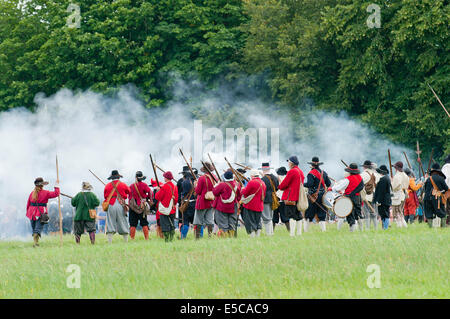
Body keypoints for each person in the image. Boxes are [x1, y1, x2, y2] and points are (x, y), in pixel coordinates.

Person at [26, 177, 60, 247]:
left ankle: (36, 242)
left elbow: (28, 204)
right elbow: (56, 194)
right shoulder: (46, 193)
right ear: (42, 185)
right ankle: (36, 244)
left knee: (34, 229)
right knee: (37, 229)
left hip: (31, 213)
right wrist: (57, 186)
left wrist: (28, 213)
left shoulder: (31, 193)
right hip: (40, 213)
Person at [332, 163, 364, 232]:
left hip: (349, 198)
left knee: (350, 214)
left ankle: (351, 231)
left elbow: (338, 188)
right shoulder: (360, 178)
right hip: (358, 198)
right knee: (358, 213)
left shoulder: (347, 179)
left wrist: (335, 186)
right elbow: (361, 186)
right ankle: (361, 230)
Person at [278, 156, 305, 236]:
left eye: (289, 162)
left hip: (291, 197)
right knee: (298, 215)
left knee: (291, 216)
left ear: (292, 163)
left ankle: (292, 234)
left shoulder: (292, 171)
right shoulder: (300, 171)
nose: (288, 164)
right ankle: (299, 233)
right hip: (297, 197)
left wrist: (279, 187)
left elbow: (284, 184)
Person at [303, 157, 331, 232]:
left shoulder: (311, 174)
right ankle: (323, 230)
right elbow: (329, 183)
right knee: (322, 214)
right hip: (322, 196)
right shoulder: (323, 173)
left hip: (313, 197)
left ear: (312, 165)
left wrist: (302, 184)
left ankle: (305, 231)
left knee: (309, 214)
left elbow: (309, 184)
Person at [104, 170, 131, 244]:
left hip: (111, 205)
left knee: (110, 222)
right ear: (118, 176)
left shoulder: (107, 185)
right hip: (120, 204)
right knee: (123, 221)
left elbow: (105, 196)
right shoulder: (123, 184)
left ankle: (110, 242)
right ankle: (125, 242)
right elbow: (129, 191)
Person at [212, 170, 241, 237]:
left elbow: (215, 192)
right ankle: (231, 238)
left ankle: (224, 239)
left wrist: (216, 185)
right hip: (233, 207)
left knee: (223, 224)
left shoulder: (222, 184)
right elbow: (239, 196)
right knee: (232, 224)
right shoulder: (236, 184)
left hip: (221, 206)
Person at [193, 162, 217, 239]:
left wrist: (195, 185)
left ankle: (197, 238)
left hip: (202, 203)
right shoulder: (215, 177)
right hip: (211, 202)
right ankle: (210, 237)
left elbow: (198, 191)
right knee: (210, 220)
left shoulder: (202, 178)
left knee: (198, 221)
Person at [240, 169, 266, 237]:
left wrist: (242, 189)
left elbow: (245, 192)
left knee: (250, 222)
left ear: (252, 175)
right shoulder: (262, 182)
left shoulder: (252, 182)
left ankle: (253, 236)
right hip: (259, 206)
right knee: (258, 221)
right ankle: (258, 236)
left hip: (250, 205)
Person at [155, 171, 178, 242]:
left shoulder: (164, 186)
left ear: (166, 178)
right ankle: (171, 239)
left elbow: (157, 197)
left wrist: (158, 190)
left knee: (165, 226)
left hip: (164, 210)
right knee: (171, 224)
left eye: (164, 177)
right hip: (172, 209)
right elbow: (176, 199)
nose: (164, 178)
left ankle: (167, 240)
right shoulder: (175, 187)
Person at [423, 163, 448, 228]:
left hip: (427, 198)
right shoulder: (441, 179)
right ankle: (443, 228)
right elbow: (446, 189)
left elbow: (425, 189)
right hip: (437, 199)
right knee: (442, 214)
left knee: (429, 214)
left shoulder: (428, 179)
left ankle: (430, 228)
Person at [129, 171, 152, 240]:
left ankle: (132, 239)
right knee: (144, 223)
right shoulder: (144, 185)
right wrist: (148, 199)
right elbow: (150, 193)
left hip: (133, 207)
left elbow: (129, 197)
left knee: (133, 224)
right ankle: (146, 239)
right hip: (142, 205)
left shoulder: (131, 186)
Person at [360, 160, 381, 230]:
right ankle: (376, 228)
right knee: (373, 213)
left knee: (366, 213)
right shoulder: (376, 174)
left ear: (364, 167)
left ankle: (367, 228)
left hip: (365, 196)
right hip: (374, 196)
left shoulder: (362, 174)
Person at [260, 163, 279, 235]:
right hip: (273, 199)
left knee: (266, 218)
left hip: (265, 199)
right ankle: (271, 232)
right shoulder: (274, 177)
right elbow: (277, 187)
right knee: (270, 217)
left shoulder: (263, 179)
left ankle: (269, 234)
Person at [179, 168, 197, 239]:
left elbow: (182, 194)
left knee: (185, 222)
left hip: (186, 203)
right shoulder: (196, 182)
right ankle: (199, 237)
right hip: (194, 203)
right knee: (196, 222)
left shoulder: (184, 182)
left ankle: (183, 238)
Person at [373, 165, 392, 230]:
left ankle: (385, 228)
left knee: (384, 214)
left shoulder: (383, 179)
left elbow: (381, 192)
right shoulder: (387, 178)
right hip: (386, 199)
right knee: (385, 214)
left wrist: (378, 201)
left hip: (383, 200)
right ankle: (385, 227)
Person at [391, 161, 410, 228]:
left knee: (397, 212)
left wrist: (391, 182)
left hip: (397, 196)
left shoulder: (397, 176)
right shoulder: (405, 175)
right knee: (400, 211)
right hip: (403, 195)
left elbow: (394, 187)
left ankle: (400, 226)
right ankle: (404, 225)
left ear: (396, 168)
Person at [442, 154, 450, 225]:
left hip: (447, 190)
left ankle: (446, 223)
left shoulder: (446, 167)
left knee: (445, 206)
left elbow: (445, 178)